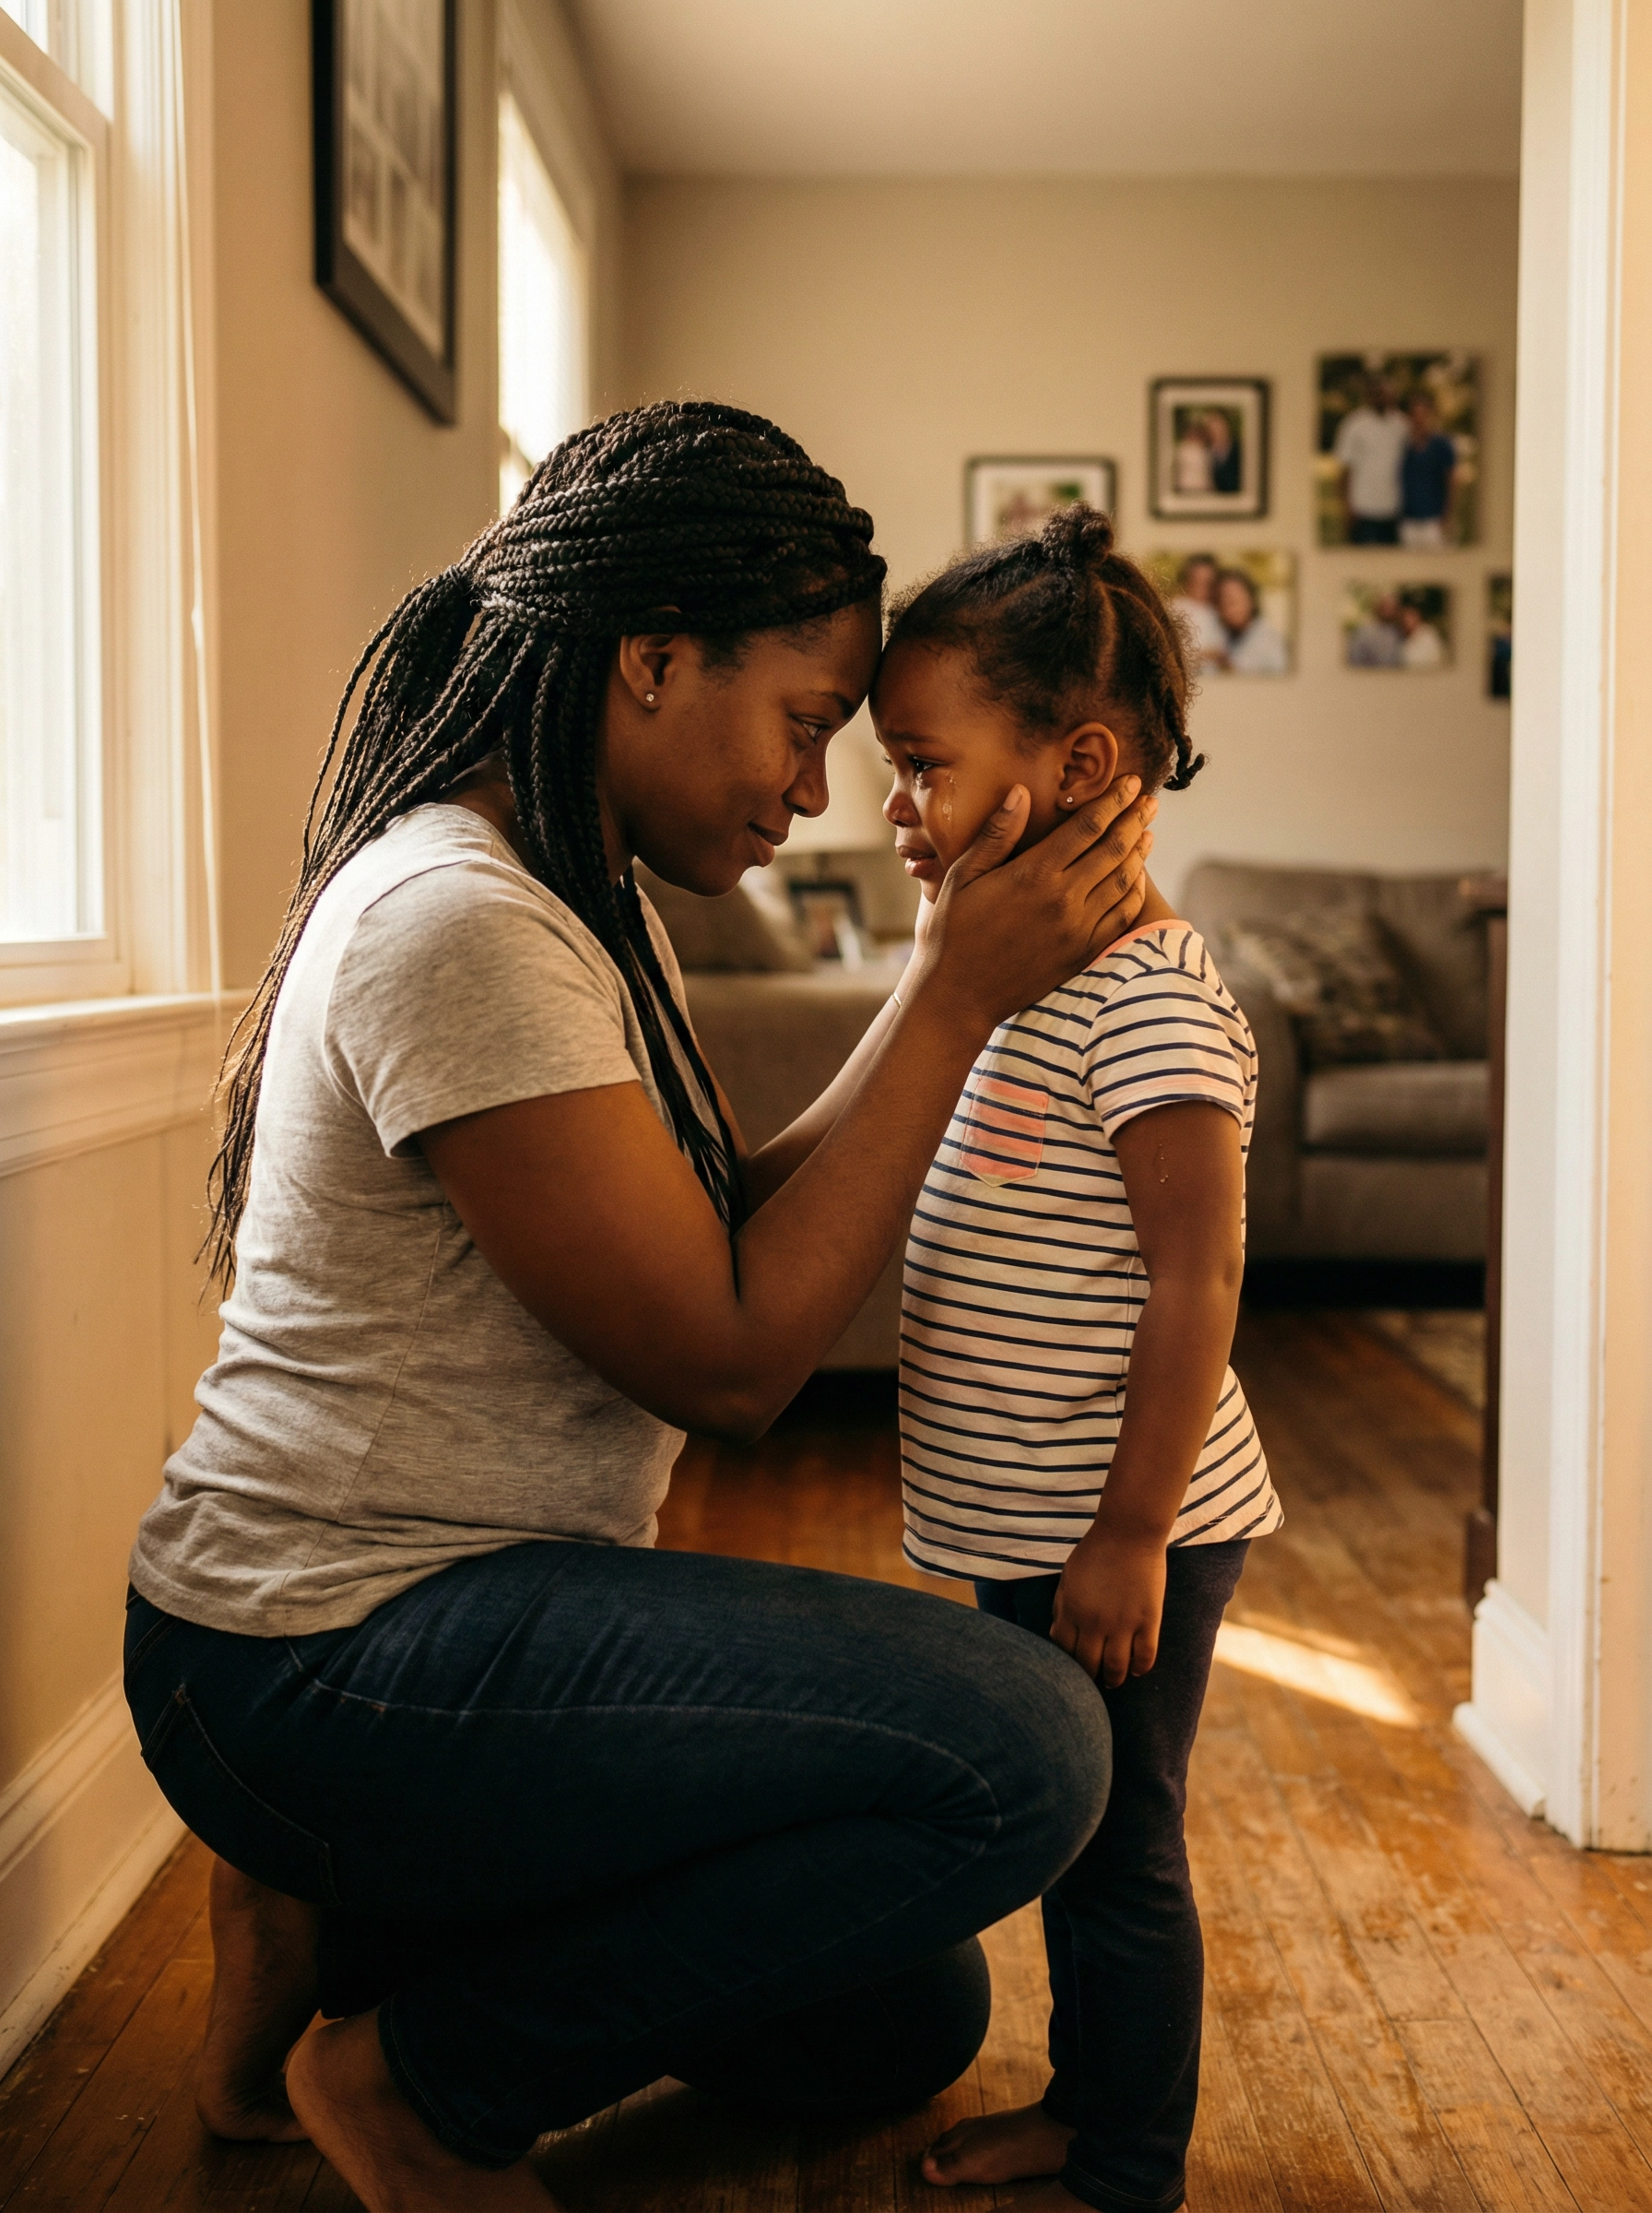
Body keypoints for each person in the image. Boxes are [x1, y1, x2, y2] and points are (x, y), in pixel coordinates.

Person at [121, 404, 1161, 2213]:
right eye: (808, 726)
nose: (816, 791)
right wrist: (948, 993)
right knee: (1031, 1749)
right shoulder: (457, 922)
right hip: (323, 1659)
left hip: (437, 1629)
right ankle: (415, 2083)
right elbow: (740, 1360)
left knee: (897, 2010)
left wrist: (954, 993)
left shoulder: (575, 895)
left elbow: (706, 1239)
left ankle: (329, 1928)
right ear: (653, 659)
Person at [874, 507, 1282, 2213]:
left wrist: (1125, 1533)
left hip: (1125, 1529)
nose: (891, 804)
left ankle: (1125, 2154)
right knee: (1076, 1831)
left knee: (1118, 1849)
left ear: (1080, 760)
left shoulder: (1152, 999)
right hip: (1027, 1517)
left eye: (919, 765)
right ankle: (1086, 2099)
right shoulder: (1007, 972)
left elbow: (1196, 1281)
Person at [1333, 372, 1409, 544]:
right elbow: (1344, 469)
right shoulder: (1353, 425)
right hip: (1362, 508)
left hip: (1394, 508)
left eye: (1385, 393)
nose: (1380, 398)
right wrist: (1346, 506)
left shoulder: (1402, 425)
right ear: (1368, 396)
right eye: (1376, 394)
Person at [1399, 392, 1458, 547]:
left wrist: (1447, 516)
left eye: (1423, 414)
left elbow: (1451, 482)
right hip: (1408, 520)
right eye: (1414, 415)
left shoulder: (1442, 445)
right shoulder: (1404, 446)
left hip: (1434, 520)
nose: (1419, 420)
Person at [1212, 567, 1290, 674]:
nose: (1229, 607)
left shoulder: (1271, 643)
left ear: (1251, 600)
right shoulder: (1222, 637)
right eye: (1222, 600)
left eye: (1233, 600)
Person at [1167, 552, 1224, 670]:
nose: (1202, 587)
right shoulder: (1175, 607)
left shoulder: (1217, 610)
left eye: (1208, 582)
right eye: (1197, 581)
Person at [1346, 589, 1406, 667]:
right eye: (1385, 605)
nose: (1388, 609)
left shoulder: (1400, 631)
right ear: (1377, 607)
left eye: (1392, 606)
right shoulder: (1363, 632)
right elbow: (1354, 661)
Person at [1398, 594, 1448, 668]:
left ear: (1418, 616)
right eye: (1404, 615)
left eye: (1410, 614)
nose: (1405, 619)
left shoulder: (1430, 636)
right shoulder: (1402, 637)